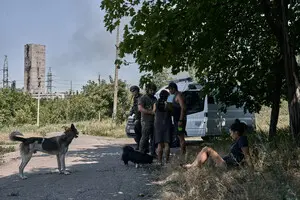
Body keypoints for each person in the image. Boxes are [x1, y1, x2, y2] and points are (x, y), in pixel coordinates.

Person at [181, 119, 253, 169]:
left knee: (207, 149)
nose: (230, 135)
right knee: (210, 157)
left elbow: (247, 156)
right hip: (227, 162)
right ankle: (195, 167)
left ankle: (192, 166)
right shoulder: (239, 140)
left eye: (231, 132)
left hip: (228, 165)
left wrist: (252, 170)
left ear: (236, 132)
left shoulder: (242, 140)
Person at [167, 82, 187, 155]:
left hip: (180, 120)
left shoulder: (179, 95)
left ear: (173, 89)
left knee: (180, 136)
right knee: (177, 136)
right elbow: (168, 106)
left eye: (170, 89)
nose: (169, 91)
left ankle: (183, 154)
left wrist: (181, 120)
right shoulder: (171, 96)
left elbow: (183, 108)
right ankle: (182, 152)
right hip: (175, 119)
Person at [153, 90, 172, 165]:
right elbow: (172, 111)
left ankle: (159, 161)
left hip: (158, 124)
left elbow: (153, 111)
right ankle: (167, 161)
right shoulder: (169, 104)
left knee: (159, 144)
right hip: (167, 124)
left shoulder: (156, 103)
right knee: (167, 144)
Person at [138, 83, 157, 156]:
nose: (153, 92)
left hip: (154, 121)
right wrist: (150, 112)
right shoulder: (143, 98)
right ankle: (141, 153)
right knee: (145, 137)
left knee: (154, 138)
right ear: (148, 90)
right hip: (146, 121)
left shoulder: (154, 98)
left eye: (154, 90)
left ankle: (153, 153)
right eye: (151, 90)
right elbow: (140, 108)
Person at [129, 85, 142, 150]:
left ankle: (142, 146)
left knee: (141, 133)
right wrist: (131, 112)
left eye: (133, 91)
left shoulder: (141, 97)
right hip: (137, 117)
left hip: (142, 117)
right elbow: (134, 106)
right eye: (131, 91)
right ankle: (139, 145)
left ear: (137, 91)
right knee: (137, 132)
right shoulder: (135, 98)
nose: (132, 93)